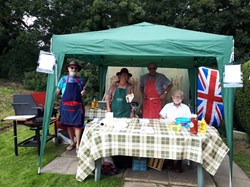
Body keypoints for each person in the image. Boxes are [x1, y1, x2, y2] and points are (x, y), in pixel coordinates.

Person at [106, 68, 134, 169]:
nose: (124, 77)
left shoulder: (130, 87)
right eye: (122, 75)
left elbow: (130, 101)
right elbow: (108, 98)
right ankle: (115, 155)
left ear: (128, 77)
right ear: (119, 76)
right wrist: (108, 109)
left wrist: (132, 113)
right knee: (114, 135)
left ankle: (124, 157)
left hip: (126, 113)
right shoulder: (113, 86)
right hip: (114, 113)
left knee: (125, 136)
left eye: (126, 75)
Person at [56, 61, 86, 153]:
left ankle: (78, 144)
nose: (73, 69)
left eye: (75, 68)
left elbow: (83, 94)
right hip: (66, 106)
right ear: (68, 69)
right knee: (68, 124)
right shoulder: (63, 79)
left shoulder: (81, 80)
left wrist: (84, 94)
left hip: (77, 107)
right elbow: (57, 92)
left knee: (78, 125)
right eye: (72, 68)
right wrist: (55, 97)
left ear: (77, 70)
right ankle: (72, 142)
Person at [159, 90, 191, 173]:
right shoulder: (167, 106)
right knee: (166, 140)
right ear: (172, 97)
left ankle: (179, 163)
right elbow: (161, 116)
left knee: (181, 142)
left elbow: (189, 119)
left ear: (183, 98)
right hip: (169, 128)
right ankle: (169, 161)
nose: (178, 98)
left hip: (181, 129)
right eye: (176, 97)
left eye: (180, 97)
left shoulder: (185, 107)